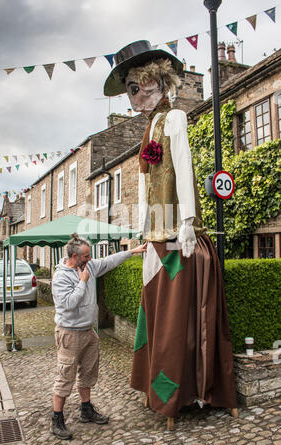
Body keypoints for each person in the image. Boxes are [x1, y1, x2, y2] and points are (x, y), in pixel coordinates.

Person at [104, 41, 237, 421]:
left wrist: (188, 223)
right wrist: (144, 233)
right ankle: (158, 391)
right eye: (130, 90)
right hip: (157, 239)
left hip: (177, 237)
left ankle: (187, 393)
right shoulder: (148, 130)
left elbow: (184, 168)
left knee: (179, 320)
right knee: (158, 317)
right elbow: (147, 187)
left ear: (159, 82)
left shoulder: (175, 118)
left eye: (138, 88)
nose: (134, 98)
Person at [50, 233, 147, 440]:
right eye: (86, 256)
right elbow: (68, 304)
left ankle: (86, 410)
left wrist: (132, 252)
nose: (90, 259)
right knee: (65, 376)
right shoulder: (60, 277)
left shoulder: (90, 267)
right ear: (74, 257)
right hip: (69, 334)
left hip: (88, 331)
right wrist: (83, 282)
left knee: (88, 372)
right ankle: (57, 418)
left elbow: (109, 261)